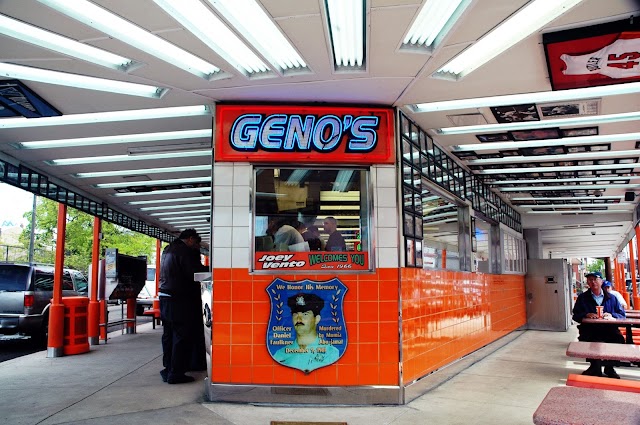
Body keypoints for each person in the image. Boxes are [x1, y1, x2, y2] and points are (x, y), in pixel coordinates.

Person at [158, 229, 207, 384]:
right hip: (179, 299)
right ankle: (177, 373)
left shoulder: (168, 249)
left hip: (165, 297)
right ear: (191, 239)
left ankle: (168, 369)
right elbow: (194, 273)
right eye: (197, 243)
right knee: (182, 336)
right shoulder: (184, 251)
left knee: (168, 336)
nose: (197, 246)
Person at [572, 271, 626, 378]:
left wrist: (611, 315)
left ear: (601, 281)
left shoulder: (611, 298)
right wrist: (586, 314)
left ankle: (609, 367)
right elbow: (575, 315)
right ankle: (595, 367)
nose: (592, 282)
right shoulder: (582, 298)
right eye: (590, 280)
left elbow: (622, 314)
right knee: (593, 341)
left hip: (609, 330)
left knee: (618, 339)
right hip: (590, 330)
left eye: (595, 279)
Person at [273, 293, 339, 372]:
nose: (299, 319)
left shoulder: (331, 353)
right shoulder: (280, 355)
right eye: (295, 314)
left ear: (317, 319)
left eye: (305, 314)